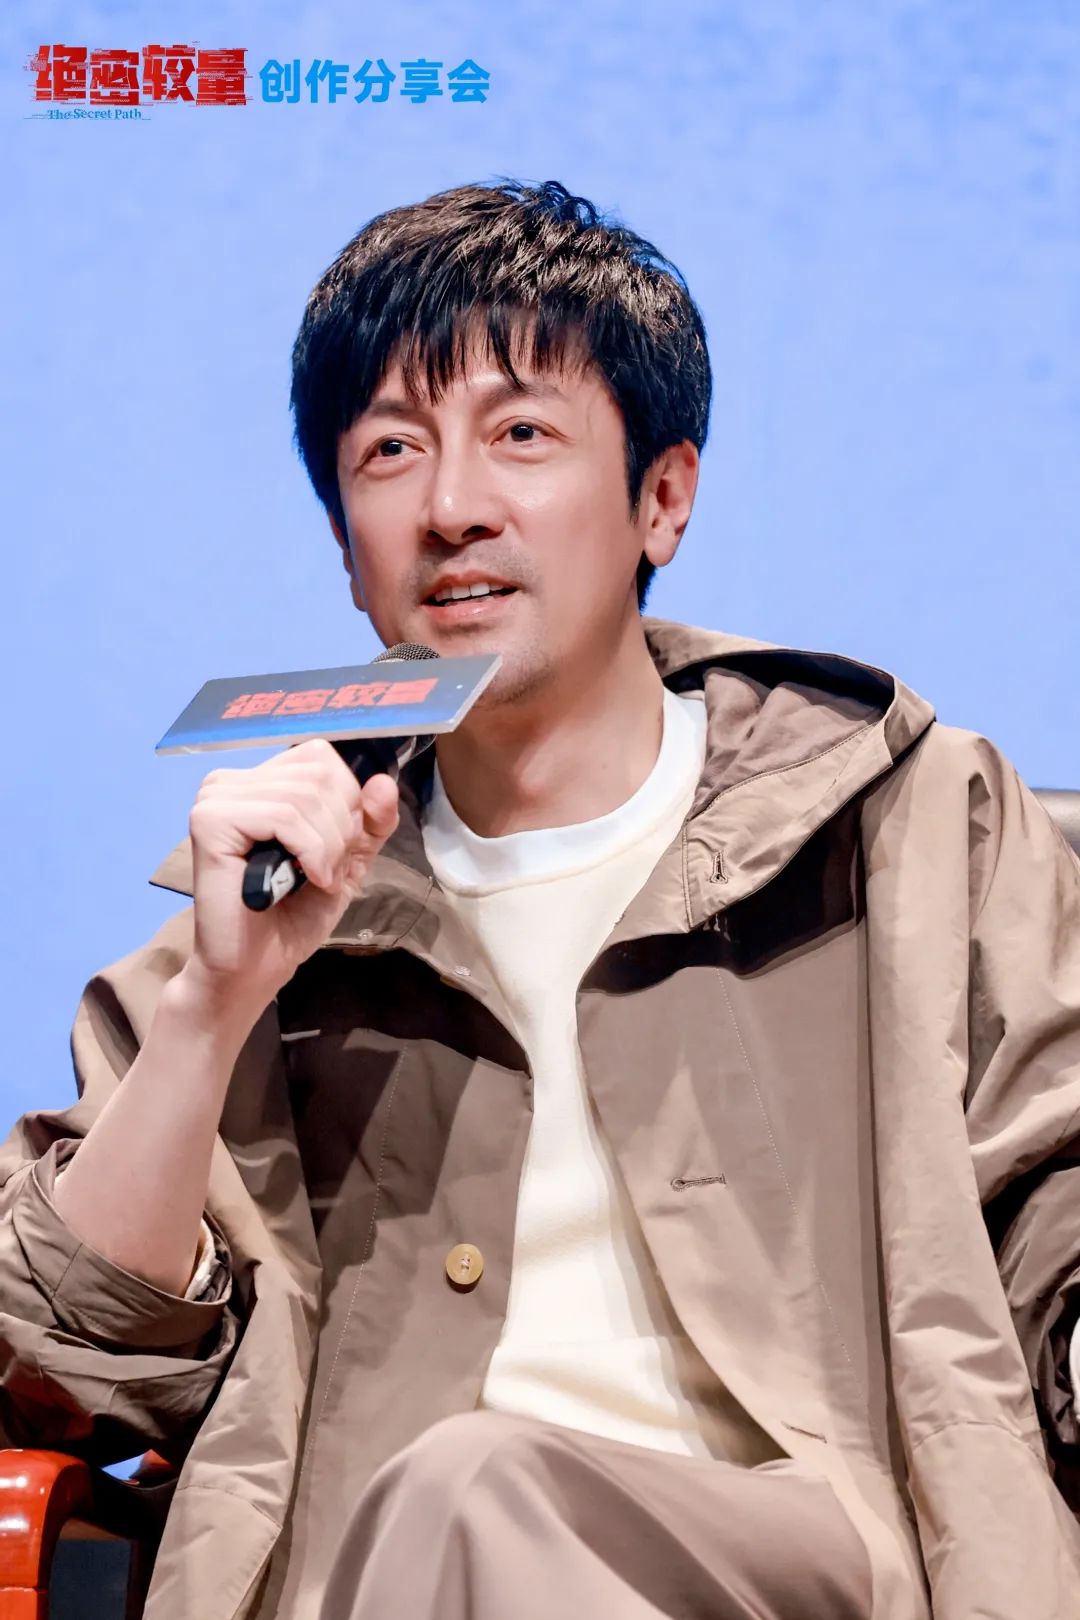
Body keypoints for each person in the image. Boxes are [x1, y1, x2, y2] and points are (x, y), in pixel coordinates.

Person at [1, 179, 1079, 1620]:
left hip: (832, 1572)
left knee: (479, 1487)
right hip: (394, 1581)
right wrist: (213, 1010)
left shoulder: (920, 827)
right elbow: (61, 1369)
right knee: (457, 1499)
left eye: (520, 434)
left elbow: (1060, 1203)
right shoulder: (263, 917)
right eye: (392, 452)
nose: (453, 508)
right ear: (346, 548)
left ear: (662, 499)